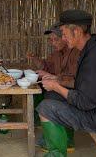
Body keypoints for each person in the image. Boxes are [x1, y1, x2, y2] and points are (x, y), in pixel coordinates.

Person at [37, 9, 96, 156]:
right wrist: (57, 80)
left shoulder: (94, 57)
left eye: (64, 34)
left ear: (77, 31)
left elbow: (85, 102)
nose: (63, 39)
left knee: (45, 107)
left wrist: (56, 86)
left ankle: (56, 154)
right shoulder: (92, 50)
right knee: (52, 96)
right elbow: (82, 83)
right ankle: (65, 141)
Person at [27, 25, 80, 153]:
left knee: (50, 97)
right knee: (39, 87)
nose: (52, 43)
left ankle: (67, 140)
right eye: (50, 40)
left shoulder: (75, 53)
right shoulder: (56, 54)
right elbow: (46, 66)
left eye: (55, 39)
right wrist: (34, 59)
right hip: (61, 87)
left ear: (64, 38)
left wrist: (55, 78)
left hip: (74, 92)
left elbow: (76, 80)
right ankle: (48, 130)